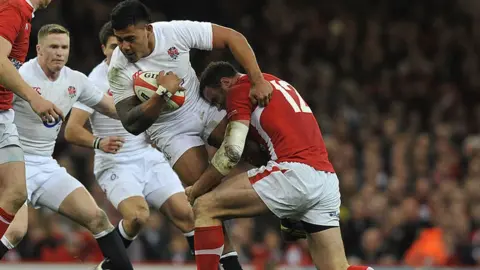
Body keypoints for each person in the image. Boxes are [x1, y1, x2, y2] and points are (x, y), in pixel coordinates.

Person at [107, 0, 272, 268]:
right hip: (170, 130)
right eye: (120, 40)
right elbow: (131, 122)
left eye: (130, 39)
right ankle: (231, 265)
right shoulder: (118, 67)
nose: (124, 46)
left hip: (203, 106)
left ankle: (291, 211)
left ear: (148, 30)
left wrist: (257, 79)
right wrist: (162, 94)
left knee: (257, 149)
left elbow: (233, 37)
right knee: (206, 198)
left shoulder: (174, 32)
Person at [185, 61, 374, 270]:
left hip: (294, 172)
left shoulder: (239, 90)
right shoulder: (274, 82)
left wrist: (197, 189)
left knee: (205, 206)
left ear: (226, 82)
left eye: (216, 99)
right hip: (326, 179)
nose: (219, 106)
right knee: (338, 268)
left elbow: (232, 152)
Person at [0, 24, 133, 270]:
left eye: (64, 47)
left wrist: (154, 99)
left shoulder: (76, 80)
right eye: (53, 47)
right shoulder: (20, 75)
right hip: (13, 163)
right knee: (16, 231)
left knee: (97, 218)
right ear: (39, 49)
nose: (59, 52)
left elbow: (114, 109)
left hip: (45, 165)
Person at [65, 21, 196, 269]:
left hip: (148, 156)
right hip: (116, 162)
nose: (120, 51)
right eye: (113, 46)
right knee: (137, 216)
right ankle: (109, 264)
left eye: (123, 44)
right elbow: (72, 130)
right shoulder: (94, 81)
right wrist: (98, 141)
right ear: (103, 48)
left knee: (188, 215)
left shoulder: (142, 71)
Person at [0, 0, 64, 240]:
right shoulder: (14, 7)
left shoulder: (23, 13)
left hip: (4, 114)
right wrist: (33, 98)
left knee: (16, 193)